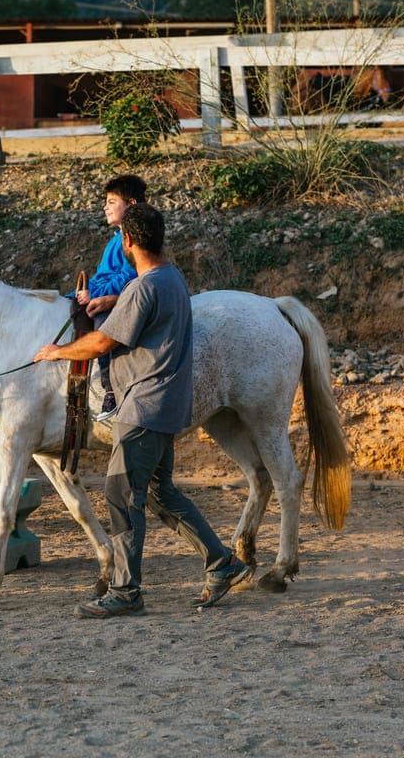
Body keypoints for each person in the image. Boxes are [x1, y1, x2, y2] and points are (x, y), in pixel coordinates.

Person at [34, 203, 250, 619]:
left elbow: (101, 344)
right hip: (165, 404)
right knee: (158, 492)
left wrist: (56, 352)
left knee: (120, 493)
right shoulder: (171, 279)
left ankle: (126, 591)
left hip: (144, 406)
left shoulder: (144, 287)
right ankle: (222, 563)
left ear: (128, 241)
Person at [75, 174, 144, 422]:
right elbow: (102, 276)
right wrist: (78, 293)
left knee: (103, 323)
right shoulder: (116, 239)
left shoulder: (132, 239)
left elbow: (129, 275)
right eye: (106, 201)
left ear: (132, 204)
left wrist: (94, 294)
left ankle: (110, 385)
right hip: (104, 292)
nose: (105, 206)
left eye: (112, 201)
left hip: (121, 300)